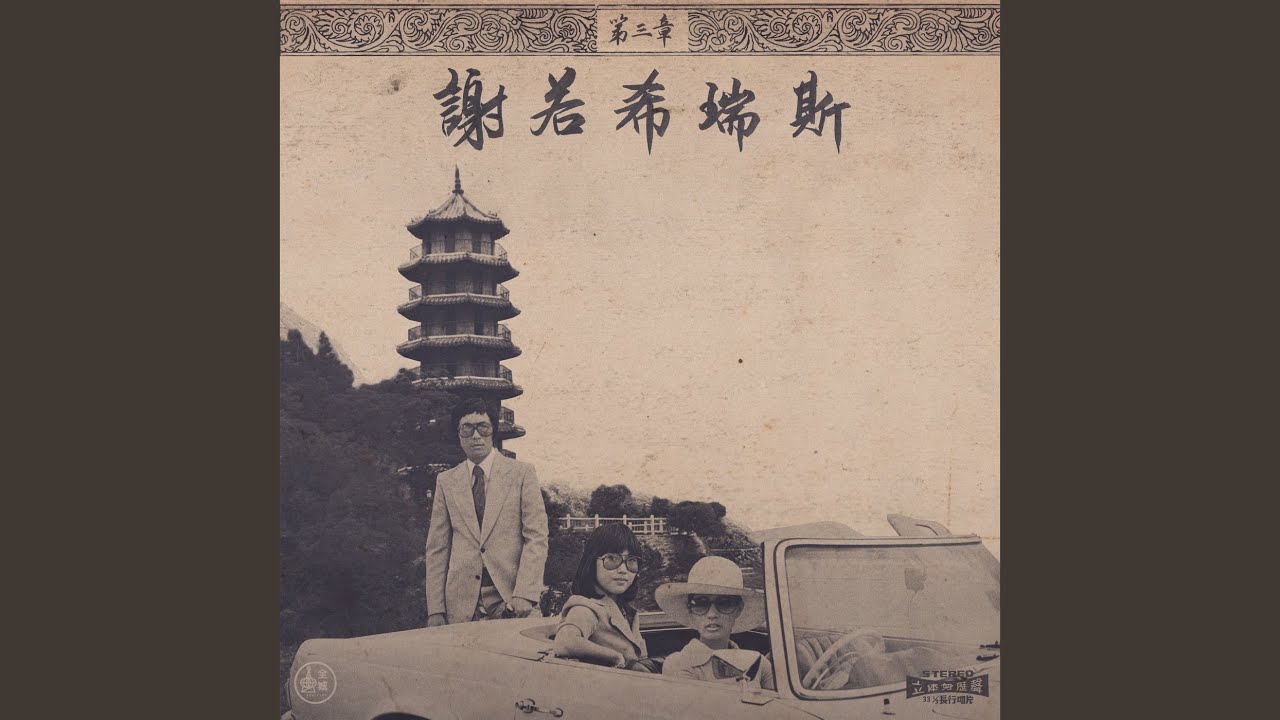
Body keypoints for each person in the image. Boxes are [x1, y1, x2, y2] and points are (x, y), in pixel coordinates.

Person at [425, 398, 548, 626]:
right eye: (467, 428)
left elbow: (536, 537)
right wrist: (436, 609)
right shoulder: (446, 481)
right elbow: (437, 549)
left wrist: (525, 593)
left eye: (483, 427)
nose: (476, 436)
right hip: (461, 604)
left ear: (493, 431)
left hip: (512, 597)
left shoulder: (522, 474)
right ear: (458, 434)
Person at [656, 556, 775, 689]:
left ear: (739, 609)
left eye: (724, 603)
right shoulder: (678, 663)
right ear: (690, 610)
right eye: (701, 604)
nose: (712, 614)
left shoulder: (760, 663)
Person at [551, 523, 653, 671]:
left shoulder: (625, 609)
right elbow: (564, 642)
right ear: (592, 563)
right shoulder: (586, 608)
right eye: (612, 559)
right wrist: (615, 657)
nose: (623, 570)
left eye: (631, 561)